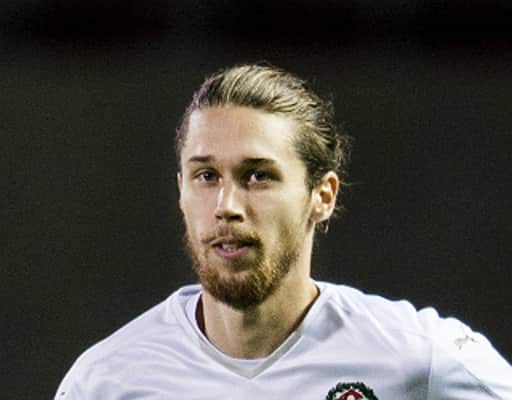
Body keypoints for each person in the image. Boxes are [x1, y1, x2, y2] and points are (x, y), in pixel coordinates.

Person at [55, 63, 512, 400]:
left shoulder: (417, 357)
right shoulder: (106, 382)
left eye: (258, 176)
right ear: (181, 191)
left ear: (322, 195)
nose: (226, 206)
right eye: (206, 176)